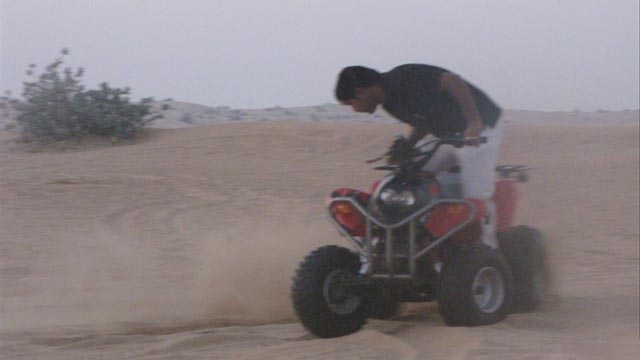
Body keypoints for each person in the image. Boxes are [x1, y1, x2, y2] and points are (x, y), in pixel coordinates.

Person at [335, 64, 503, 248]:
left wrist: (474, 122)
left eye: (351, 103)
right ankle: (417, 240)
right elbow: (424, 122)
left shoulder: (403, 78)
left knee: (476, 193)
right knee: (409, 178)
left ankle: (489, 248)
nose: (354, 109)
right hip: (446, 136)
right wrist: (408, 146)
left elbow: (452, 81)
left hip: (480, 130)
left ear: (360, 92)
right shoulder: (390, 104)